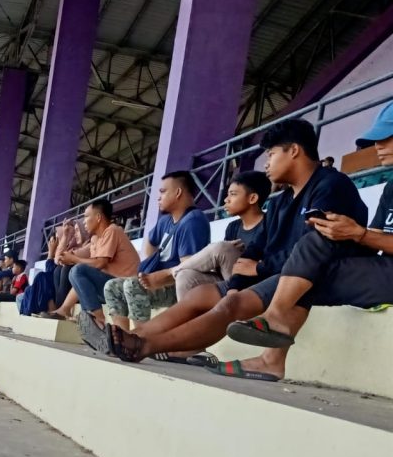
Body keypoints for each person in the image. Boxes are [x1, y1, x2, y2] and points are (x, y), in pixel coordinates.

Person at [105, 118, 370, 377]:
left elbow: (313, 250)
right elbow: (255, 249)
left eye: (271, 153)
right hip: (280, 274)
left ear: (294, 151)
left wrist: (260, 269)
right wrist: (234, 286)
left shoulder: (331, 186)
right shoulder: (280, 202)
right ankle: (133, 336)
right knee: (202, 295)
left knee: (230, 307)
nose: (266, 163)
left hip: (315, 276)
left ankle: (145, 346)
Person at [215, 102, 393, 378]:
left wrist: (358, 234)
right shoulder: (392, 187)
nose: (378, 146)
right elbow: (381, 237)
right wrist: (350, 232)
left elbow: (370, 236)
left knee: (314, 258)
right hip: (384, 272)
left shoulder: (330, 183)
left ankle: (274, 328)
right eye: (376, 139)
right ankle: (272, 351)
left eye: (387, 137)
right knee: (315, 251)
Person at [139, 171, 270, 302]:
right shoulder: (233, 227)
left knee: (221, 247)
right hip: (230, 279)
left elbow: (273, 261)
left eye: (233, 194)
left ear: (252, 198)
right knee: (185, 276)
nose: (226, 199)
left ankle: (170, 271)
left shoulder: (269, 224)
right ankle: (188, 320)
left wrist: (229, 252)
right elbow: (222, 267)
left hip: (254, 283)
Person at [102, 171, 211, 327]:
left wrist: (159, 278)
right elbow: (150, 241)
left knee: (132, 285)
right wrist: (151, 265)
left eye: (163, 191)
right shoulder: (166, 220)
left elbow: (189, 269)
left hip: (177, 286)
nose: (159, 197)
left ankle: (142, 341)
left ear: (178, 192)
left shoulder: (193, 221)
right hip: (160, 281)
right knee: (111, 287)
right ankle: (122, 337)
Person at [62, 199, 140, 347]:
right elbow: (64, 260)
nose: (83, 222)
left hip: (125, 287)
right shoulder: (96, 239)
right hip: (110, 285)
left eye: (86, 216)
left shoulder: (113, 230)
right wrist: (65, 242)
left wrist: (74, 259)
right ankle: (91, 319)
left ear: (98, 218)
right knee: (74, 272)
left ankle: (97, 320)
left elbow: (100, 263)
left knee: (78, 270)